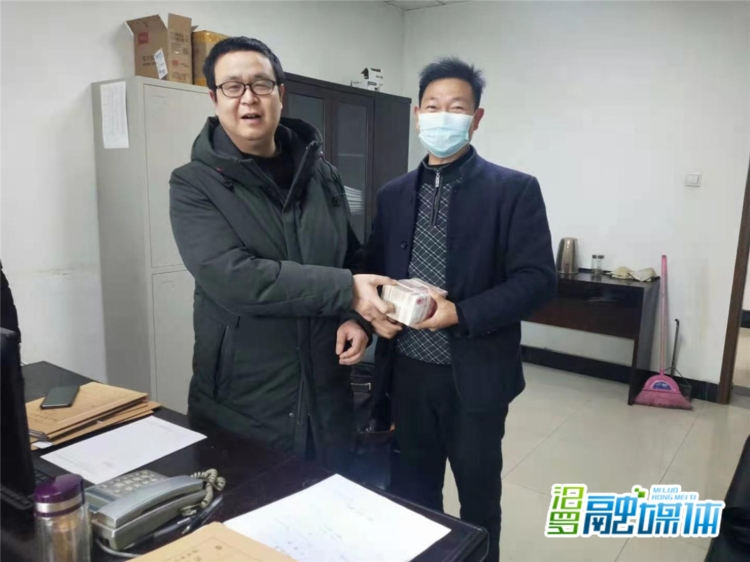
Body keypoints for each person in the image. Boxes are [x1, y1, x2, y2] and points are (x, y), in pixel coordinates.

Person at [169, 37, 392, 473]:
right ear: (214, 98)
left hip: (327, 397)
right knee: (247, 511)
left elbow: (352, 257)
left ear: (280, 93)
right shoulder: (193, 184)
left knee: (328, 507)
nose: (248, 98)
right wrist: (346, 290)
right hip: (244, 404)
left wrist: (357, 318)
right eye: (232, 86)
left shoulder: (323, 176)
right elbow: (234, 278)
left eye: (261, 84)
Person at [366, 57, 556, 561]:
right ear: (417, 115)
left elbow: (537, 281)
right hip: (407, 374)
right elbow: (371, 269)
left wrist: (461, 314)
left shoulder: (513, 190)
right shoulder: (393, 195)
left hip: (475, 377)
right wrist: (372, 312)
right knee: (412, 494)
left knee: (478, 500)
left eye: (456, 107)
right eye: (432, 107)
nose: (442, 117)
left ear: (477, 118)